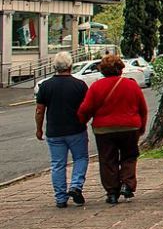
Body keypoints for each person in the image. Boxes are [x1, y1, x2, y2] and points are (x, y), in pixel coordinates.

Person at [77, 54, 148, 205]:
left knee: (108, 159)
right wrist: (141, 127)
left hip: (104, 129)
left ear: (102, 70)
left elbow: (86, 108)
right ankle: (127, 184)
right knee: (129, 156)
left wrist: (82, 121)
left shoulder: (96, 86)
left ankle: (112, 192)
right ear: (121, 68)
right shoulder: (131, 85)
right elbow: (142, 108)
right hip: (130, 127)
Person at [35, 52, 89, 208]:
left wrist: (39, 129)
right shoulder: (79, 85)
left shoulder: (45, 86)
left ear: (54, 67)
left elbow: (40, 110)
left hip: (54, 131)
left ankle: (60, 198)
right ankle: (76, 186)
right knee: (80, 158)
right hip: (76, 129)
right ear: (70, 66)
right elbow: (86, 107)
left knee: (58, 164)